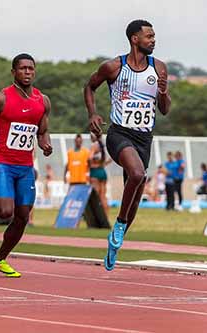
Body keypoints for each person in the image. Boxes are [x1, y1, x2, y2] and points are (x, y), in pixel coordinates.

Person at [84, 19, 171, 271]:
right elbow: (90, 87)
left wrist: (163, 92)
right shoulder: (113, 67)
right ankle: (120, 224)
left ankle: (115, 242)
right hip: (119, 134)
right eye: (149, 36)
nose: (153, 40)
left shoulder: (160, 68)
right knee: (137, 173)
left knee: (135, 191)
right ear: (135, 39)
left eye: (154, 36)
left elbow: (164, 111)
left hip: (145, 138)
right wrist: (92, 114)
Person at [0, 53, 52, 277]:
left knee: (23, 216)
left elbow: (42, 132)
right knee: (5, 212)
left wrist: (46, 145)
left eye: (31, 69)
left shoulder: (42, 101)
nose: (28, 72)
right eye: (23, 68)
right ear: (14, 72)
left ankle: (0, 259)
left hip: (25, 167)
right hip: (3, 163)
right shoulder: (0, 99)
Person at [89, 132, 110, 216]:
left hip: (95, 172)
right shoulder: (103, 146)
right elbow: (109, 159)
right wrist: (101, 165)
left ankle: (95, 216)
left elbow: (89, 158)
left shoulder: (94, 146)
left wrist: (91, 165)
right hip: (102, 171)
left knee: (95, 196)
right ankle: (106, 216)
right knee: (103, 196)